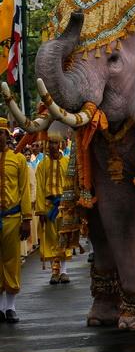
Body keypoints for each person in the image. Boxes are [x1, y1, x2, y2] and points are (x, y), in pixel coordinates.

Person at [0, 118, 30, 322]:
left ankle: (10, 307)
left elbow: (24, 190)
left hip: (12, 218)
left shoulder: (18, 159)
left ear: (6, 135)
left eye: (0, 133)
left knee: (11, 262)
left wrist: (26, 219)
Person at [34, 140, 71, 284]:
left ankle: (64, 271)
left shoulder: (67, 162)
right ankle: (54, 272)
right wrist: (41, 210)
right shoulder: (42, 164)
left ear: (60, 144)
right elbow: (39, 188)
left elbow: (72, 185)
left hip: (65, 206)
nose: (52, 146)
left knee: (64, 238)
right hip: (49, 207)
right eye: (50, 143)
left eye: (55, 143)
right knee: (50, 239)